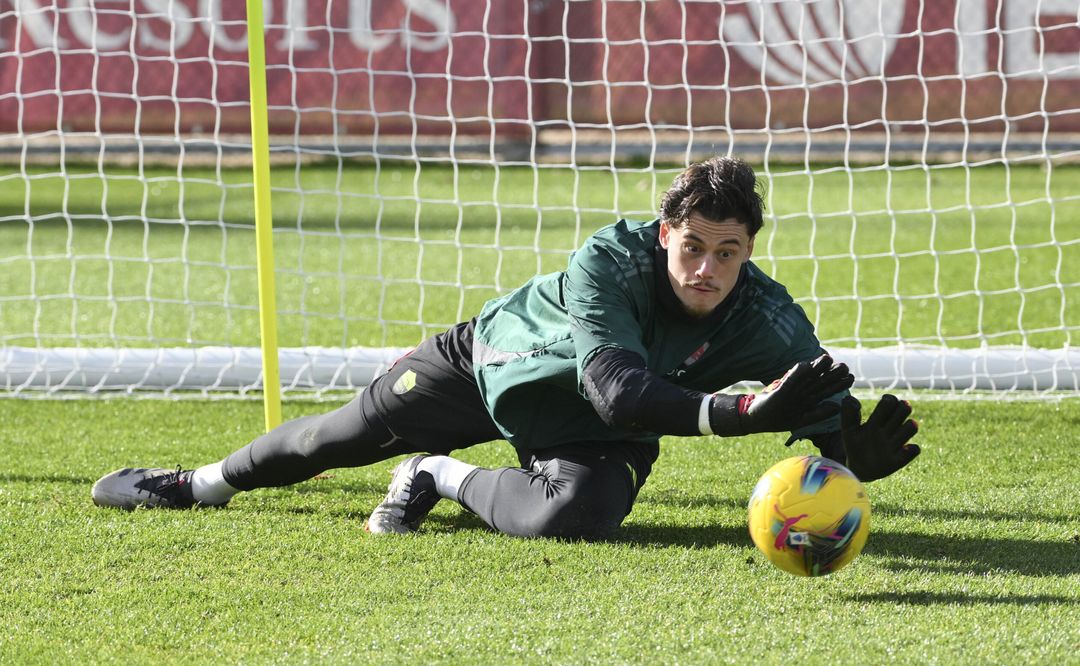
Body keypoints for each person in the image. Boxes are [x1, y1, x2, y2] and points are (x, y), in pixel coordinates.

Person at [91, 156, 920, 539]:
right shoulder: (607, 259)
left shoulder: (769, 319)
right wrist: (739, 413)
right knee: (325, 441)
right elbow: (620, 394)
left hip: (586, 428)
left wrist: (850, 454)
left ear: (750, 252)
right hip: (494, 361)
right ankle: (193, 485)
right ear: (664, 232)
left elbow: (819, 409)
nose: (706, 269)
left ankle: (435, 475)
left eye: (727, 253)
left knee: (577, 518)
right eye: (692, 246)